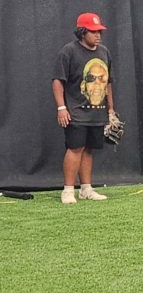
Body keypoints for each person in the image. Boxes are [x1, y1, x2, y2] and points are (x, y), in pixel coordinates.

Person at [52, 12, 117, 204]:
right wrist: (61, 107)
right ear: (82, 32)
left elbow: (108, 83)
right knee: (75, 149)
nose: (98, 35)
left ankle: (86, 189)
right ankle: (68, 191)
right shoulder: (68, 51)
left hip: (97, 113)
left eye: (99, 32)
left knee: (88, 149)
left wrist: (110, 111)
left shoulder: (104, 52)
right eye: (93, 31)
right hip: (76, 112)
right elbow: (57, 80)